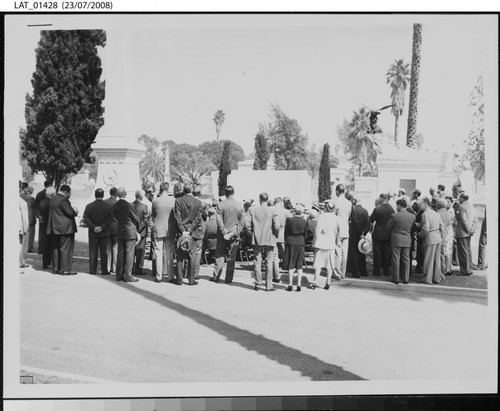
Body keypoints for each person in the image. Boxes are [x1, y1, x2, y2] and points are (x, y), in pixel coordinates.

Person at [211, 186, 245, 284]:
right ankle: (228, 279)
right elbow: (242, 221)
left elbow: (218, 220)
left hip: (222, 234)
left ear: (225, 193)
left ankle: (216, 276)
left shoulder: (220, 205)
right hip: (234, 234)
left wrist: (223, 231)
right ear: (233, 193)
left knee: (219, 255)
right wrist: (235, 232)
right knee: (231, 257)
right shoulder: (239, 205)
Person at [248, 192, 280, 291]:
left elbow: (248, 224)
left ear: (259, 199)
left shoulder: (254, 210)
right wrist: (276, 235)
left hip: (257, 239)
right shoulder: (272, 210)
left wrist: (252, 233)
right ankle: (269, 285)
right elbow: (276, 225)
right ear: (267, 199)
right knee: (269, 262)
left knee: (257, 261)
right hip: (269, 238)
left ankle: (258, 283)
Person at [174, 182, 203, 285]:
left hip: (181, 233)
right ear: (191, 190)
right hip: (192, 232)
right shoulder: (197, 202)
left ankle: (179, 279)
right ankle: (191, 280)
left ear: (183, 190)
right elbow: (197, 218)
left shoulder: (178, 201)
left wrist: (182, 230)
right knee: (192, 256)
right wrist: (190, 230)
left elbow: (177, 216)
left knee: (180, 256)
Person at [47, 185, 78, 275]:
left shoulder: (53, 199)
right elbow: (70, 212)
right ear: (66, 192)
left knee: (55, 248)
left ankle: (56, 268)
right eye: (69, 193)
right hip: (65, 228)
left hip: (54, 227)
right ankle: (65, 269)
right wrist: (75, 211)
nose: (70, 195)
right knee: (66, 249)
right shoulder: (63, 200)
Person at [111, 187, 141, 282]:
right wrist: (137, 229)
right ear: (125, 193)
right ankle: (128, 275)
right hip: (130, 231)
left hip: (121, 230)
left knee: (121, 253)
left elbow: (113, 216)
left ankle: (119, 274)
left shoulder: (115, 206)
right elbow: (136, 219)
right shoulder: (130, 205)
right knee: (129, 253)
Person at [310, 200, 340, 290]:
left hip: (321, 242)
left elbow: (317, 230)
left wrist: (314, 241)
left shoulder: (322, 217)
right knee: (329, 264)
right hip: (330, 243)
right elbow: (338, 231)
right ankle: (328, 282)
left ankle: (315, 281)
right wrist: (337, 242)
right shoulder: (337, 218)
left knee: (318, 263)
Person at [151, 182, 177, 283]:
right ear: (168, 189)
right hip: (170, 228)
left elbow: (153, 215)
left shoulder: (155, 201)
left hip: (158, 228)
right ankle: (170, 276)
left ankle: (158, 276)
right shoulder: (173, 201)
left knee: (158, 252)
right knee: (169, 252)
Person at [83, 188, 112, 275]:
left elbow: (86, 218)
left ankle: (92, 270)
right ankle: (104, 270)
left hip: (93, 232)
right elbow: (110, 219)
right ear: (103, 195)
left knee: (93, 252)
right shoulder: (108, 206)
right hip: (104, 232)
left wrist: (93, 227)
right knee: (104, 252)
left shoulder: (89, 206)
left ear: (95, 195)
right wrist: (102, 227)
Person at [387, 198, 415, 284]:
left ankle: (396, 278)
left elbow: (388, 227)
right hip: (407, 239)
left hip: (396, 238)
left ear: (399, 205)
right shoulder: (412, 216)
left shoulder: (394, 216)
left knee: (396, 258)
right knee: (406, 259)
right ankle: (406, 278)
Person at [416, 197, 444, 284]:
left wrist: (419, 235)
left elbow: (426, 229)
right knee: (436, 259)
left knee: (428, 259)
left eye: (420, 205)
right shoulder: (436, 213)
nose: (419, 207)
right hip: (437, 237)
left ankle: (427, 278)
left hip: (430, 237)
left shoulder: (425, 214)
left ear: (425, 204)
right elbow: (442, 226)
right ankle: (436, 278)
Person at [282, 204, 308, 292]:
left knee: (291, 263)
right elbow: (306, 234)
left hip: (290, 242)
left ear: (295, 211)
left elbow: (286, 232)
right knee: (299, 265)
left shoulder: (289, 220)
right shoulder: (304, 221)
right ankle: (299, 285)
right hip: (300, 242)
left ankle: (290, 284)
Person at [369, 193, 394, 277]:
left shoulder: (377, 209)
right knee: (386, 253)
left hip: (378, 233)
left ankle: (377, 271)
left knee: (377, 253)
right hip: (387, 233)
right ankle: (386, 271)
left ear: (381, 199)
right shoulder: (391, 209)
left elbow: (371, 220)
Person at [454, 192, 477, 276]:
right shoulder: (472, 207)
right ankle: (469, 268)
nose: (458, 200)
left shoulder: (461, 207)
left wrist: (468, 230)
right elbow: (475, 220)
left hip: (462, 232)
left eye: (459, 198)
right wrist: (472, 230)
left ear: (462, 198)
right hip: (469, 232)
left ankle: (465, 270)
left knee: (463, 252)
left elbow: (463, 220)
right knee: (468, 250)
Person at [347, 196, 370, 278]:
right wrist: (364, 233)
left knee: (354, 253)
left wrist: (360, 232)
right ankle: (363, 271)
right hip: (362, 234)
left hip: (354, 234)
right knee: (362, 252)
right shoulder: (365, 211)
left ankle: (355, 272)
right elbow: (368, 223)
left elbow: (355, 222)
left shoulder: (353, 210)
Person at [132, 190, 153, 276]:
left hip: (132, 230)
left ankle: (131, 267)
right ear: (141, 197)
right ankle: (139, 268)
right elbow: (145, 219)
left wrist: (135, 229)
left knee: (132, 251)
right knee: (140, 251)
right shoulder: (144, 206)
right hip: (142, 232)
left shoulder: (131, 205)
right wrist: (139, 229)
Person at [333, 184, 351, 279]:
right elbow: (348, 216)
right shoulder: (349, 203)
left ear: (337, 191)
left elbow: (334, 217)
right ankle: (343, 273)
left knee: (337, 252)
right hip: (346, 229)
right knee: (345, 253)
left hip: (337, 230)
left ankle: (337, 273)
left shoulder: (335, 202)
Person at [272, 197, 292, 284]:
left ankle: (276, 276)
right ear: (280, 203)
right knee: (285, 254)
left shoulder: (271, 210)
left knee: (275, 257)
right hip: (283, 234)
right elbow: (291, 221)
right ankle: (288, 271)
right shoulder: (285, 211)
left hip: (273, 235)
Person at [34, 180, 54, 258]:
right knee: (50, 235)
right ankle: (50, 250)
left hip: (42, 217)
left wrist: (38, 215)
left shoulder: (39, 194)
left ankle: (41, 249)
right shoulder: (53, 193)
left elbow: (36, 206)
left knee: (42, 234)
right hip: (51, 217)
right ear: (50, 185)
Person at [39, 187, 56, 269]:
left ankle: (45, 263)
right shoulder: (53, 202)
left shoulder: (41, 202)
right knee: (53, 245)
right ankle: (54, 264)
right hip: (52, 225)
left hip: (44, 225)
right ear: (52, 194)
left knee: (45, 245)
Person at [436, 198, 454, 277]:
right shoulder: (448, 214)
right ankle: (446, 268)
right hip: (447, 235)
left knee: (439, 254)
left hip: (440, 235)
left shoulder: (437, 214)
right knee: (447, 252)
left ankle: (440, 270)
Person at [104, 187, 119, 274]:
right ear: (116, 194)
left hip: (106, 227)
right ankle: (115, 267)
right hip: (116, 227)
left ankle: (107, 267)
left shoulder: (104, 202)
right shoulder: (117, 203)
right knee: (115, 248)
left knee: (108, 248)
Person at [19, 185, 36, 252]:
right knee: (30, 235)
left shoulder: (19, 196)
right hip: (30, 217)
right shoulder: (31, 198)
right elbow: (35, 208)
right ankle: (29, 248)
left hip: (21, 219)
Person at [19, 196, 29, 268]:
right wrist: (26, 228)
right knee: (19, 245)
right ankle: (20, 262)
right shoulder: (22, 202)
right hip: (18, 227)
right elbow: (25, 217)